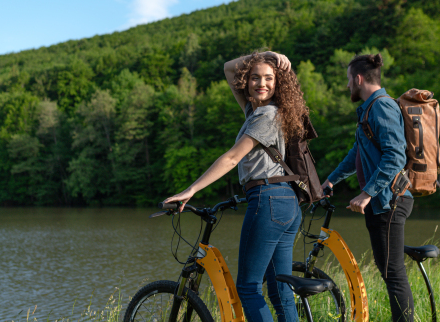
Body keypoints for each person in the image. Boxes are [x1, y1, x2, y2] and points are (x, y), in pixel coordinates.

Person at [163, 51, 309, 322]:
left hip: (268, 199)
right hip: (287, 202)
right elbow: (229, 68)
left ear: (280, 84)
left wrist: (191, 190)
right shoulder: (256, 111)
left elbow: (231, 158)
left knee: (248, 287)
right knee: (279, 291)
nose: (261, 84)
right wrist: (266, 55)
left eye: (269, 78)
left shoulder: (266, 115)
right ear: (247, 81)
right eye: (255, 78)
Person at [322, 53, 414, 322]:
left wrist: (366, 193)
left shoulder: (382, 107)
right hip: (383, 201)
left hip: (389, 201)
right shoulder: (370, 110)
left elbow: (395, 156)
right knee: (390, 271)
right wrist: (330, 180)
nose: (348, 86)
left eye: (348, 80)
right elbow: (357, 154)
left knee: (393, 273)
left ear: (358, 79)